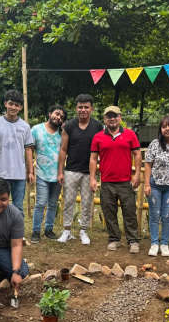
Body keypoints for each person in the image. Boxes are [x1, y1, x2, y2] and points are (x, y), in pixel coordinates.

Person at [90, 106, 142, 253]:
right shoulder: (98, 137)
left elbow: (137, 154)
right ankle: (114, 238)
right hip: (107, 182)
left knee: (129, 211)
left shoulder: (130, 134)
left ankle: (133, 240)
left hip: (126, 181)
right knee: (109, 212)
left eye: (115, 116)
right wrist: (93, 178)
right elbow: (93, 159)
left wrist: (137, 174)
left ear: (120, 118)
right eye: (109, 116)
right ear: (105, 119)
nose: (112, 118)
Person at [56, 94, 104, 245]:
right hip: (71, 170)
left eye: (86, 107)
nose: (83, 110)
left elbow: (100, 149)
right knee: (69, 201)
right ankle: (67, 230)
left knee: (87, 202)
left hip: (89, 172)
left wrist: (96, 173)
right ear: (76, 108)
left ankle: (84, 231)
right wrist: (60, 171)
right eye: (80, 107)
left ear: (92, 109)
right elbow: (63, 150)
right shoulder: (69, 126)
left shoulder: (97, 126)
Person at [144, 116, 169, 257]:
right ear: (160, 130)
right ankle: (154, 243)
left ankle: (165, 244)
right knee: (154, 215)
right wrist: (147, 184)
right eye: (164, 126)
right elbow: (148, 164)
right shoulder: (155, 144)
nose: (167, 129)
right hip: (155, 185)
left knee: (167, 216)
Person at [0, 90, 34, 216]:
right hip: (0, 173)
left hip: (19, 174)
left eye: (16, 105)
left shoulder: (25, 126)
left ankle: (17, 234)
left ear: (20, 107)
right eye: (11, 104)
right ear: (5, 104)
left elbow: (28, 150)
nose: (13, 107)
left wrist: (30, 171)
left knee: (18, 208)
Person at [30, 105, 67, 243]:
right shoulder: (36, 130)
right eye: (57, 114)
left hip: (58, 174)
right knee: (40, 203)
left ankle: (49, 229)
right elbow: (30, 150)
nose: (58, 117)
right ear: (50, 113)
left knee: (53, 204)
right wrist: (30, 171)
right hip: (41, 173)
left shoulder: (62, 133)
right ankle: (35, 231)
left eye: (61, 117)